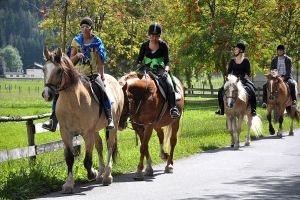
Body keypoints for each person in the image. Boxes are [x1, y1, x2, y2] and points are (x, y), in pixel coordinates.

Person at [43, 17, 114, 131]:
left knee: (102, 90)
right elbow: (70, 61)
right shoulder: (76, 41)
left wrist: (102, 76)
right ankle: (53, 120)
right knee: (58, 92)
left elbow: (100, 60)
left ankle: (109, 118)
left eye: (87, 27)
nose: (85, 29)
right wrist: (77, 56)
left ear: (91, 28)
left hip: (92, 75)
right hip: (77, 76)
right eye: (82, 27)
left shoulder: (97, 42)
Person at [136, 23, 180, 119]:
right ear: (149, 35)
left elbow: (167, 62)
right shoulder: (144, 45)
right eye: (152, 36)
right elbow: (139, 61)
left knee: (169, 84)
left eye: (157, 36)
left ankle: (173, 108)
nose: (154, 38)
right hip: (146, 69)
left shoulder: (163, 45)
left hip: (160, 69)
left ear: (159, 36)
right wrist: (141, 66)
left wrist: (166, 71)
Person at [215, 42, 257, 116]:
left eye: (236, 49)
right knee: (220, 91)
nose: (234, 50)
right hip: (232, 81)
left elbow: (248, 73)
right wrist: (227, 77)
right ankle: (221, 109)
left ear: (241, 50)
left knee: (252, 90)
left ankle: (253, 110)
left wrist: (242, 78)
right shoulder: (232, 60)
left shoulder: (246, 60)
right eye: (234, 49)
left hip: (243, 80)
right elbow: (229, 72)